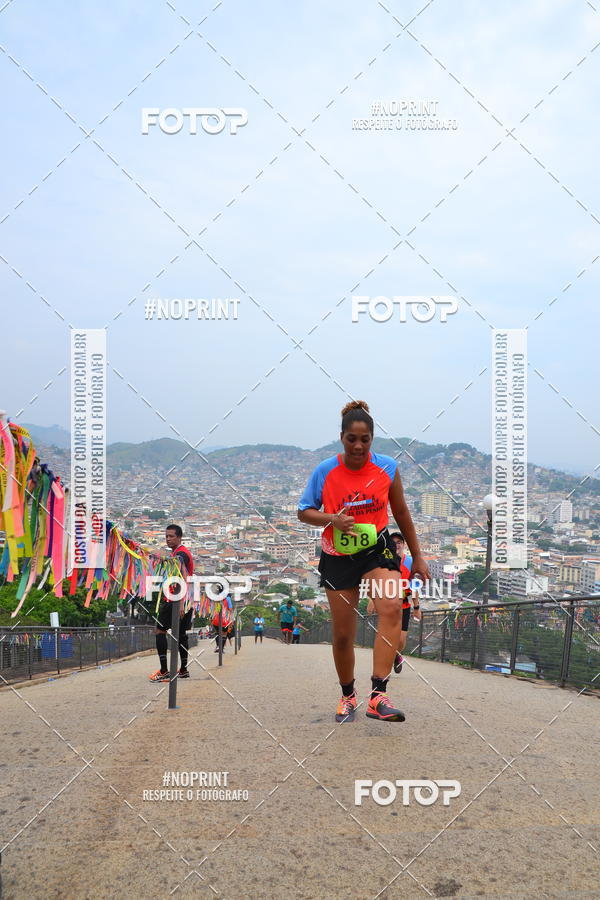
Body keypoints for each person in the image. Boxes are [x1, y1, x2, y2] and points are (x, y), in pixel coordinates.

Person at [298, 401, 429, 723]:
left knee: (390, 606)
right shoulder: (325, 471)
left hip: (376, 549)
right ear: (342, 438)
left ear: (372, 439)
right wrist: (332, 518)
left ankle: (378, 694)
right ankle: (347, 695)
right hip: (337, 555)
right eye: (352, 439)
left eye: (365, 439)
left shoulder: (386, 467)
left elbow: (401, 513)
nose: (358, 446)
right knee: (343, 634)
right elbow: (304, 511)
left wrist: (419, 556)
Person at [368, 532, 421, 673]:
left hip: (403, 605)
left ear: (403, 545)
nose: (396, 545)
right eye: (394, 542)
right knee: (386, 636)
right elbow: (374, 580)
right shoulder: (383, 560)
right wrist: (372, 600)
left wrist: (417, 607)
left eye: (399, 542)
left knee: (401, 640)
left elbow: (414, 586)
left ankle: (397, 654)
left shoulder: (409, 562)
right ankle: (382, 669)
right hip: (386, 604)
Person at [149, 524, 194, 682]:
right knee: (181, 636)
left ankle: (164, 670)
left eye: (171, 536)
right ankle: (183, 669)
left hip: (177, 599)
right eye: (166, 536)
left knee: (160, 631)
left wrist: (180, 603)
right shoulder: (180, 553)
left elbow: (181, 577)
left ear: (179, 537)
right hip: (186, 599)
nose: (168, 539)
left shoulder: (181, 555)